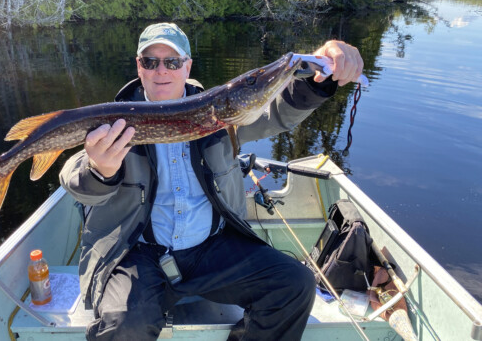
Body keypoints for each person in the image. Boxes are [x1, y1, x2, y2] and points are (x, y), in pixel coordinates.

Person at [59, 22, 364, 341]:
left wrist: (319, 77)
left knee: (295, 284)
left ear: (187, 66)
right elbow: (73, 177)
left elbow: (277, 110)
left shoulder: (222, 112)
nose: (161, 70)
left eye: (172, 61)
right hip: (136, 251)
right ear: (139, 67)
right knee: (125, 324)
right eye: (151, 62)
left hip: (211, 249)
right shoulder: (119, 120)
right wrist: (100, 169)